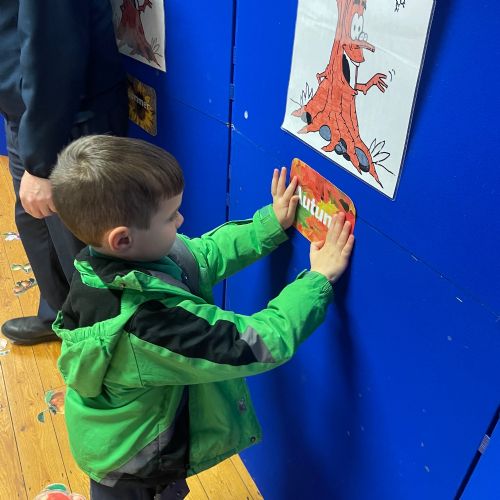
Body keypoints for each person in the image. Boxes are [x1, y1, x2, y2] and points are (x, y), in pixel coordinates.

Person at [49, 135, 355, 500]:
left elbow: (202, 256)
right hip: (131, 465)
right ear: (122, 239)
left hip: (124, 432)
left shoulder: (113, 261)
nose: (181, 219)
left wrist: (269, 224)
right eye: (170, 217)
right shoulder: (148, 327)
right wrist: (318, 280)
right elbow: (255, 344)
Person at [0, 0, 128, 345]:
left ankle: (99, 347)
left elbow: (53, 54)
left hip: (67, 119)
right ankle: (62, 316)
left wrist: (42, 165)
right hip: (27, 112)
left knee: (79, 246)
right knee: (36, 223)